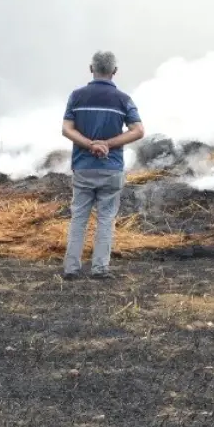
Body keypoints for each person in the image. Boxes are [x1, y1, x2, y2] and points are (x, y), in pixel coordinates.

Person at [60, 51, 144, 280]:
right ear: (114, 71)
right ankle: (100, 269)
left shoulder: (76, 97)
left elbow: (66, 129)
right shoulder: (123, 100)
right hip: (111, 168)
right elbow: (138, 130)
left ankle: (71, 268)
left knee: (79, 218)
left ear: (91, 68)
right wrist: (107, 144)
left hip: (83, 167)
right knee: (106, 219)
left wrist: (90, 145)